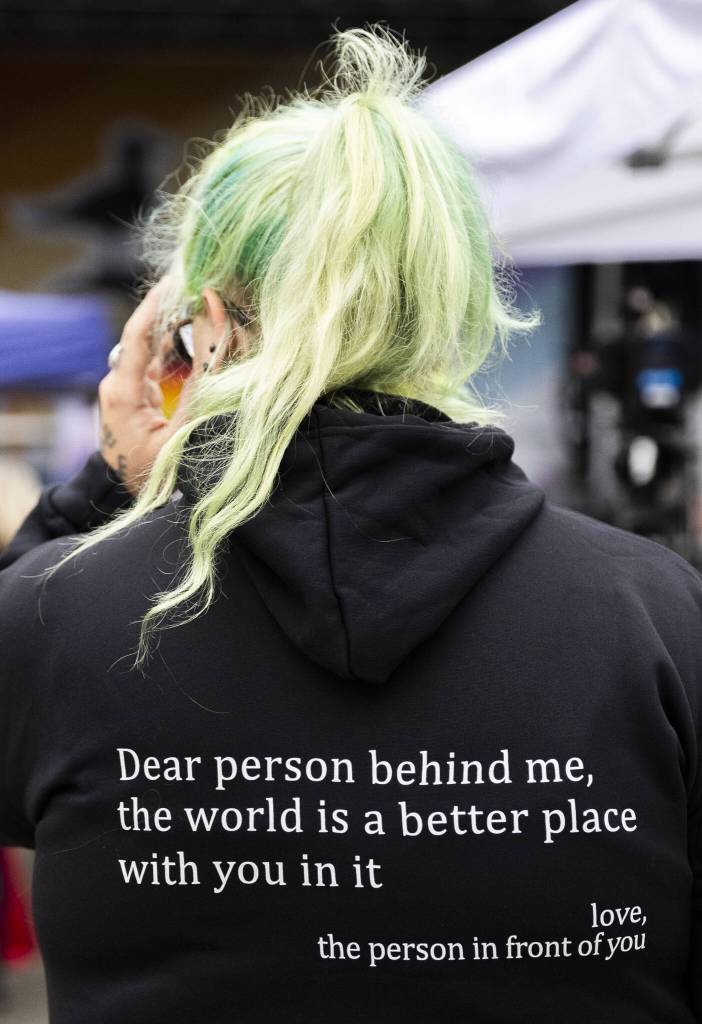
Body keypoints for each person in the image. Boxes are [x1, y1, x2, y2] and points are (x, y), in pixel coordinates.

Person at [1, 24, 701, 1024]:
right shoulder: (662, 615)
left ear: (204, 322)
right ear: (456, 302)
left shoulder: (56, 618)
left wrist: (114, 485)